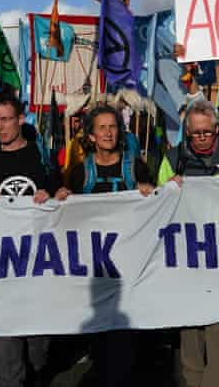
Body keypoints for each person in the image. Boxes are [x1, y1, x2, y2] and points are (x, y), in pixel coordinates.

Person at [0, 94, 70, 387]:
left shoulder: (41, 157)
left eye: (6, 120)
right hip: (0, 263)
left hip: (37, 262)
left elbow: (60, 196)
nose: (0, 127)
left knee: (37, 350)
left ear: (19, 120)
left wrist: (53, 195)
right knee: (4, 344)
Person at [156, 100, 219, 387]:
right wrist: (165, 190)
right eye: (195, 134)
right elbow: (158, 210)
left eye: (206, 133)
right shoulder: (173, 159)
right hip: (187, 260)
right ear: (187, 133)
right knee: (189, 338)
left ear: (216, 129)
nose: (201, 139)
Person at [66, 105, 154, 387]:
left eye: (112, 127)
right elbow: (67, 216)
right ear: (91, 135)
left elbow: (157, 209)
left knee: (123, 344)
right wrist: (61, 196)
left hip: (129, 266)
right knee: (101, 342)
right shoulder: (81, 172)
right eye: (101, 127)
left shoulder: (136, 167)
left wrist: (151, 194)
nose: (108, 133)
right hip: (95, 269)